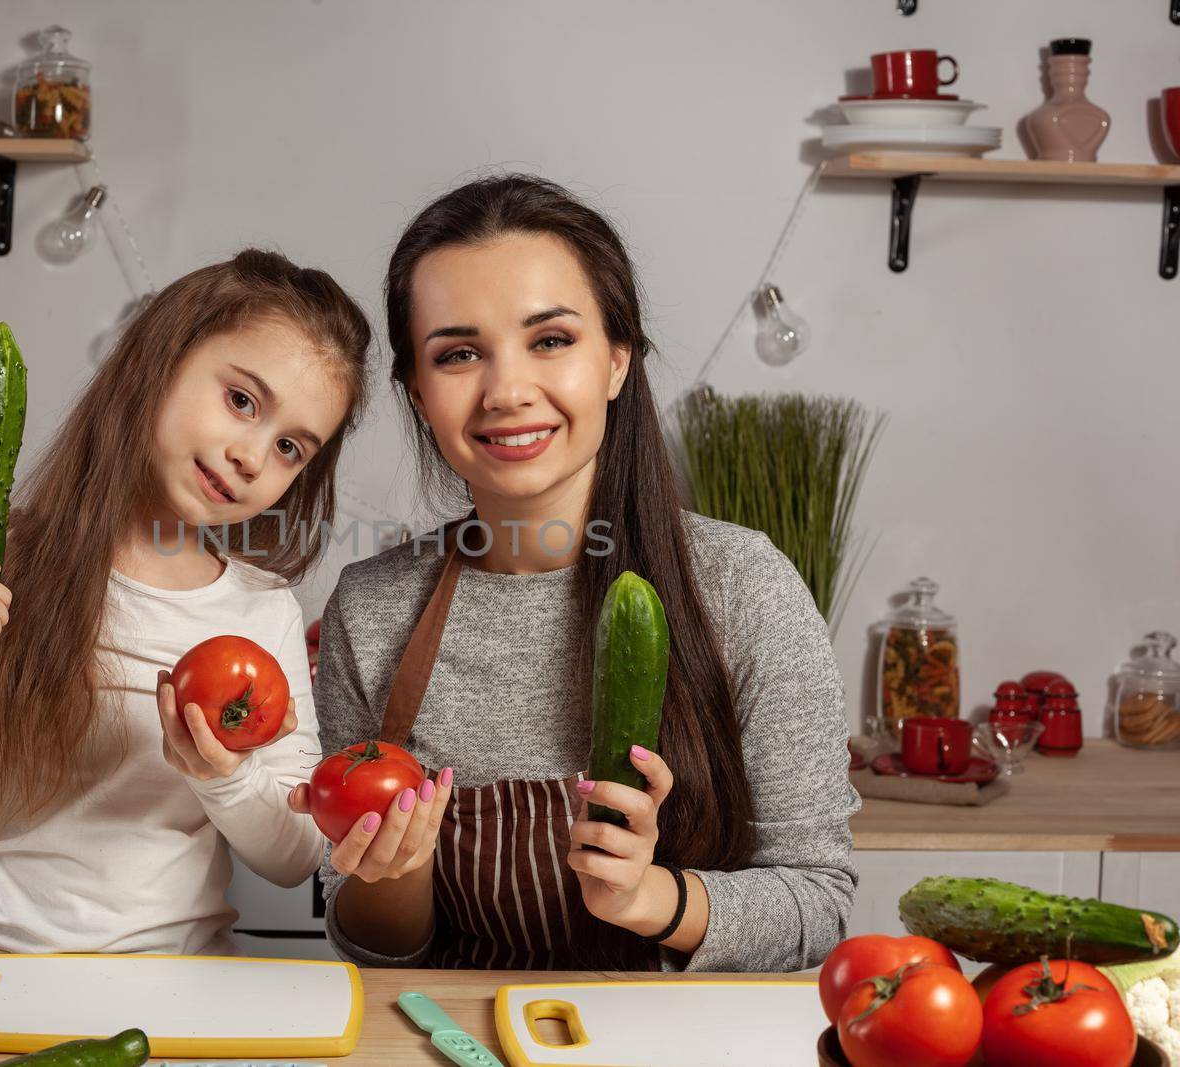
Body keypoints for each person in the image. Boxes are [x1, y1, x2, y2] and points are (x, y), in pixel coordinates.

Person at [291, 176, 859, 971]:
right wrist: (397, 874)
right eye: (458, 354)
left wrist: (652, 898)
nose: (508, 391)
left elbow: (820, 902)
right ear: (419, 394)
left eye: (550, 340)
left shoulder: (741, 585)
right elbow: (370, 941)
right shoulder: (375, 605)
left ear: (617, 360)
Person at [0, 249, 371, 959]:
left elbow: (291, 858)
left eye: (289, 446)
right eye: (241, 400)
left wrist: (224, 774)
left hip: (177, 987)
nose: (253, 456)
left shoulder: (262, 610)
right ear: (157, 361)